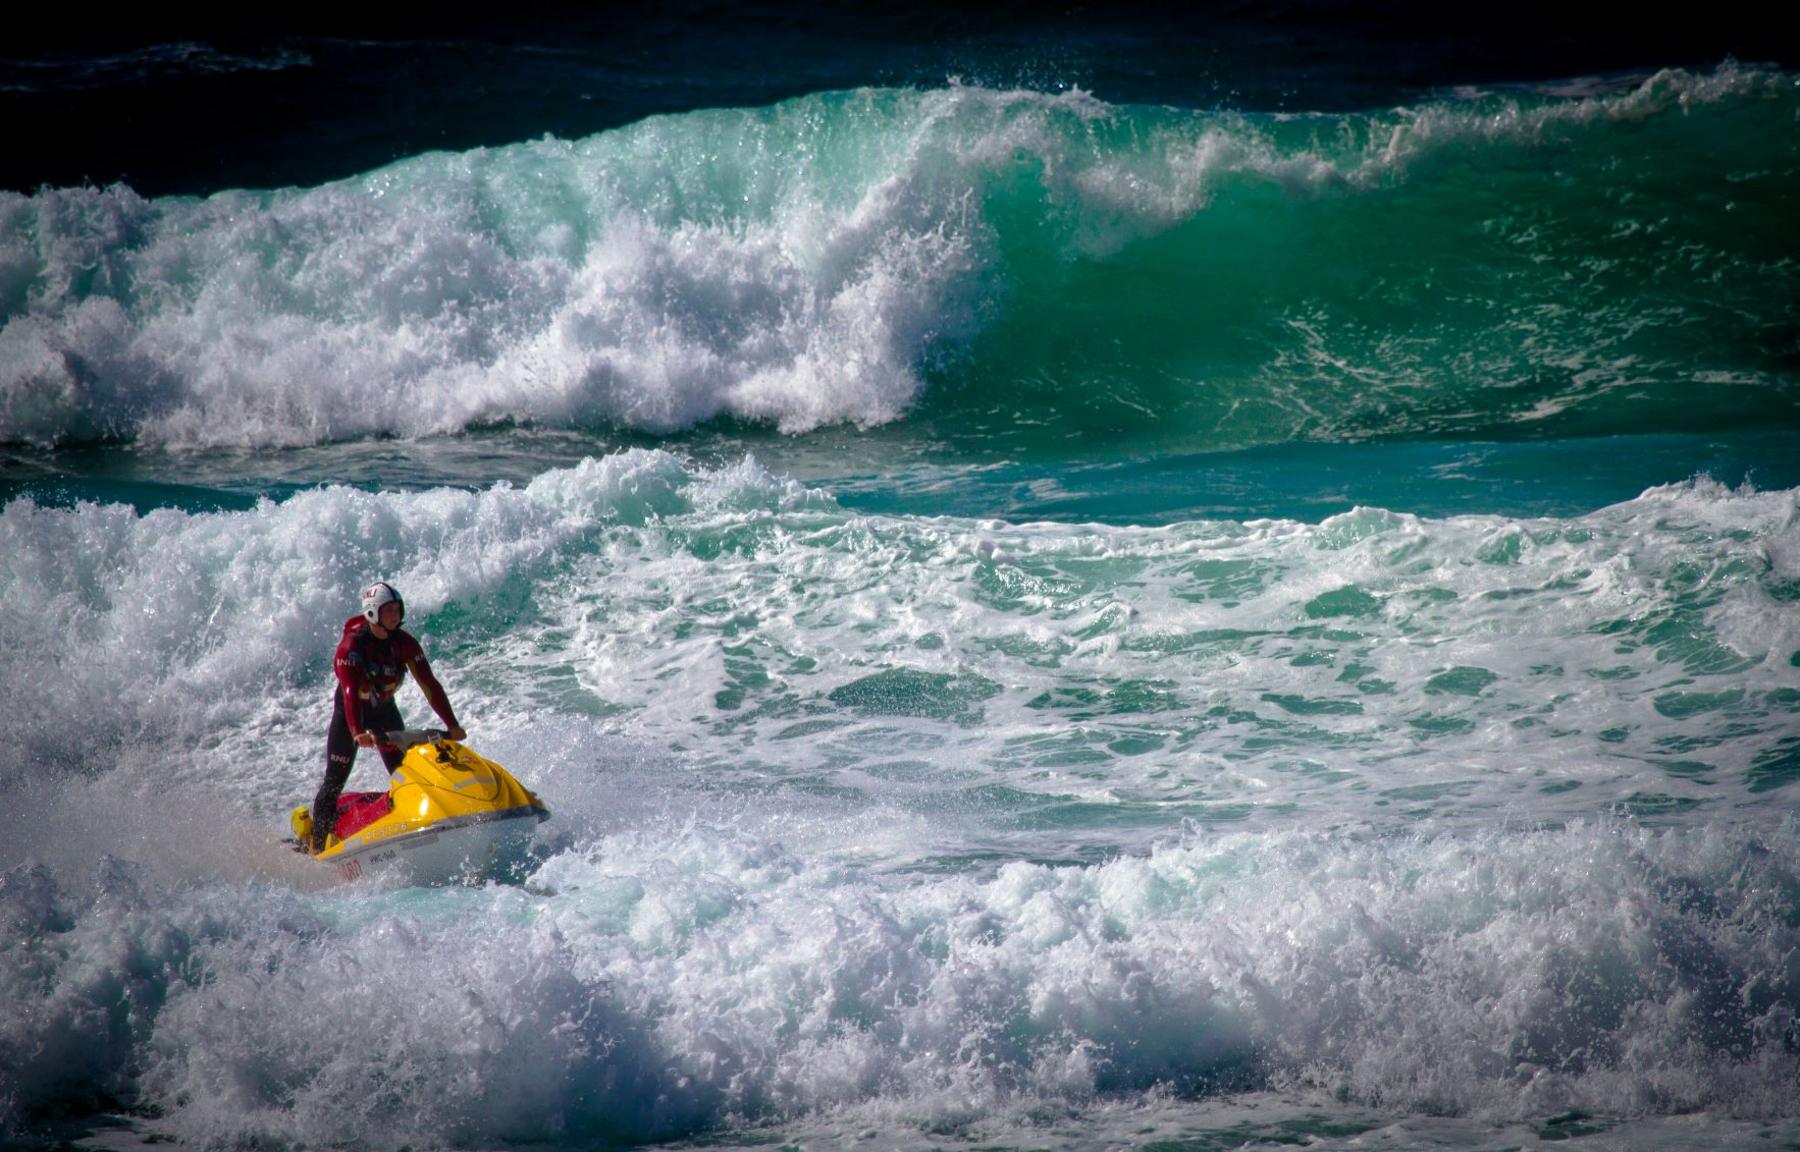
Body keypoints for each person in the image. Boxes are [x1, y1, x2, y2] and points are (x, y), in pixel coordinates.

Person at [309, 581, 465, 852]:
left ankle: (419, 826)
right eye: (389, 610)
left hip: (384, 713)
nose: (395, 615)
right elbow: (349, 692)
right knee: (334, 781)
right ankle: (318, 848)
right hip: (351, 716)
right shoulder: (351, 648)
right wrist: (357, 731)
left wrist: (452, 725)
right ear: (372, 613)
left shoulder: (404, 643)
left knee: (403, 774)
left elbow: (429, 684)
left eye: (397, 609)